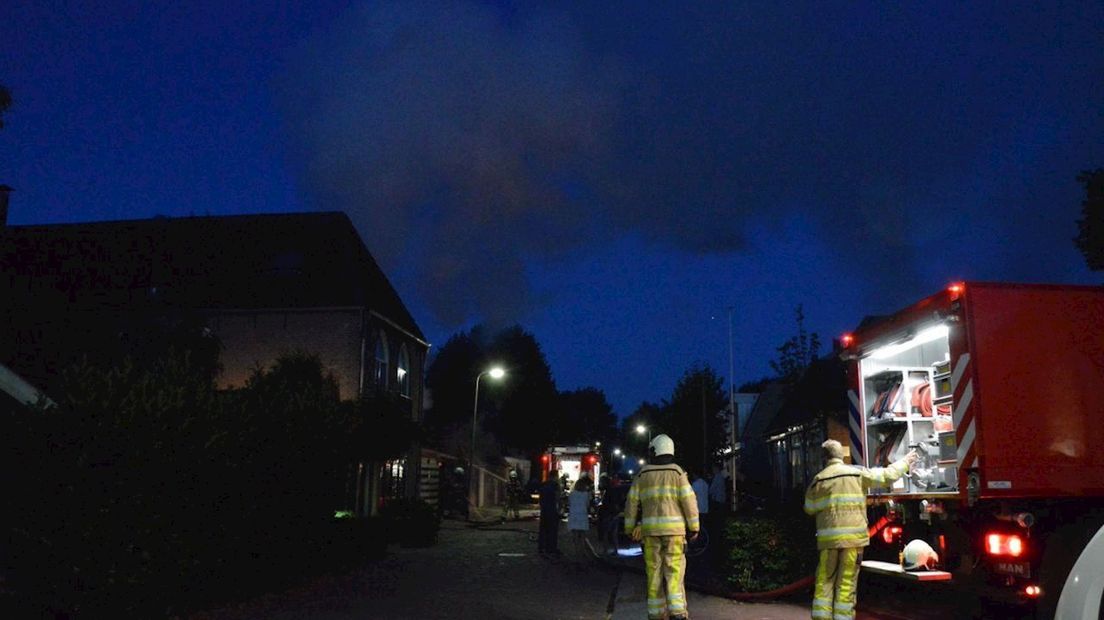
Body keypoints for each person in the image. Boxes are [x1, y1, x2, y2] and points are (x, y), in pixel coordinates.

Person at [804, 440, 918, 620]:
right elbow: (886, 476)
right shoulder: (856, 473)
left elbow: (809, 508)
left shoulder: (819, 480)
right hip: (853, 541)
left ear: (824, 458)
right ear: (841, 455)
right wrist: (905, 461)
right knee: (847, 584)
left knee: (824, 582)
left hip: (828, 542)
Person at [624, 434, 699, 620]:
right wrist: (694, 528)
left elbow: (631, 503)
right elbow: (689, 502)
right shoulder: (678, 473)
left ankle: (656, 614)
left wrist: (629, 529)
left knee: (654, 573)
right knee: (674, 573)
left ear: (655, 451)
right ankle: (678, 613)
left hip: (650, 535)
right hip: (675, 535)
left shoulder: (642, 475)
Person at [568, 474, 593, 557]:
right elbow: (588, 505)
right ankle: (582, 551)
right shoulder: (586, 494)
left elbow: (569, 503)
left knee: (575, 536)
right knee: (582, 536)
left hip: (574, 516)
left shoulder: (572, 494)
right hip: (582, 516)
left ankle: (576, 552)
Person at [537, 473, 562, 557]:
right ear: (555, 477)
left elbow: (540, 498)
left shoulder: (543, 484)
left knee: (543, 529)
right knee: (552, 530)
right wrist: (560, 509)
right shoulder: (555, 485)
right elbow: (557, 498)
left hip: (544, 510)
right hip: (552, 510)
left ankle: (541, 547)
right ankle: (551, 548)